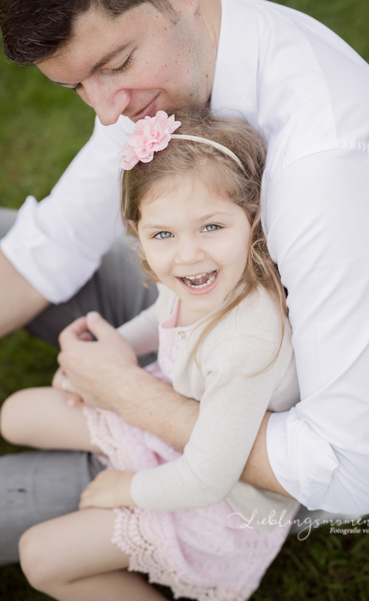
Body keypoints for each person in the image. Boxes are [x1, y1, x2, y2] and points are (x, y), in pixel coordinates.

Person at [0, 0, 369, 564]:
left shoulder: (332, 172)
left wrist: (130, 394)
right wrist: (124, 354)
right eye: (77, 87)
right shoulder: (192, 55)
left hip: (266, 427)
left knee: (31, 534)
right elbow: (53, 243)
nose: (105, 113)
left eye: (114, 64)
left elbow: (349, 473)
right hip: (195, 314)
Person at [1, 108, 300, 600]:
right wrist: (114, 348)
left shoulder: (248, 339)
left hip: (222, 498)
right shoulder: (196, 278)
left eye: (211, 227)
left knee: (42, 558)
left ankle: (120, 483)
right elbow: (165, 314)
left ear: (253, 219)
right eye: (163, 234)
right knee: (16, 414)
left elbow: (209, 477)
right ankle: (111, 452)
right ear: (137, 232)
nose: (188, 255)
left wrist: (126, 488)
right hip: (184, 422)